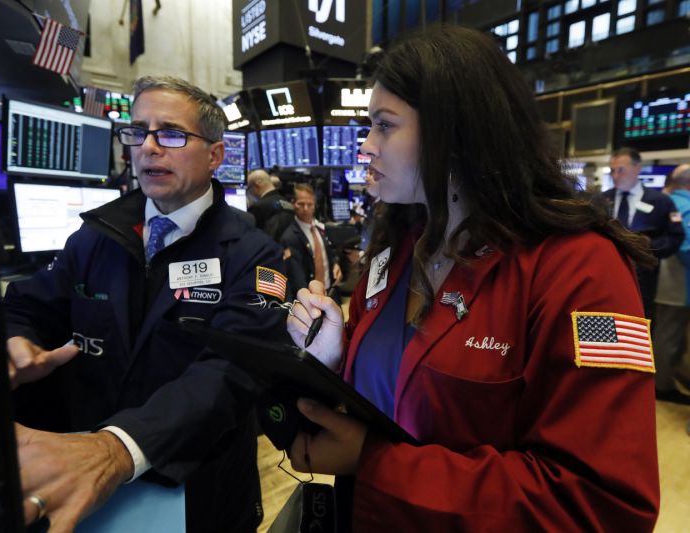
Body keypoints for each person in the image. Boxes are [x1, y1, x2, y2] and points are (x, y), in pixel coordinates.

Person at [285, 26, 660, 531]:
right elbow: (388, 393)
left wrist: (375, 465)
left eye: (384, 125)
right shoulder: (396, 249)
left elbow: (602, 504)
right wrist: (335, 357)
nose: (366, 146)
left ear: (454, 134)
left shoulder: (583, 271)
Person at [5, 75, 288, 532]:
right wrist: (18, 340)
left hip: (194, 489)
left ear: (215, 155)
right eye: (138, 132)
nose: (148, 148)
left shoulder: (254, 253)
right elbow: (28, 305)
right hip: (86, 479)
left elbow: (231, 372)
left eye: (171, 133)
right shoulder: (96, 236)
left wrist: (118, 448)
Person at [603, 146, 684, 319]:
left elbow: (675, 237)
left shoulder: (660, 201)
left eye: (621, 170)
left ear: (638, 168)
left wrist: (649, 247)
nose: (615, 176)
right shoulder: (600, 200)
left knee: (640, 326)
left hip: (644, 281)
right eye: (612, 171)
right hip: (605, 277)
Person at [653, 163, 690, 404]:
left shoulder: (662, 201)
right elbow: (686, 247)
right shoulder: (685, 206)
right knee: (668, 336)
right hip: (677, 285)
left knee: (666, 334)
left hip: (661, 283)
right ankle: (662, 386)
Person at [280, 183, 342, 298]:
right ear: (293, 204)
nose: (306, 209)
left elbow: (328, 252)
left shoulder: (320, 227)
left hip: (330, 291)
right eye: (301, 204)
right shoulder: (289, 237)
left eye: (310, 204)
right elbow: (296, 275)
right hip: (310, 296)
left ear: (315, 205)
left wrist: (335, 263)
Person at [246, 168, 295, 240]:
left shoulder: (258, 207)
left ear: (257, 186)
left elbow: (251, 237)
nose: (249, 192)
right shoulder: (288, 204)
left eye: (249, 188)